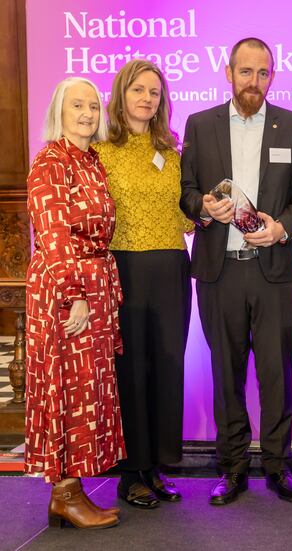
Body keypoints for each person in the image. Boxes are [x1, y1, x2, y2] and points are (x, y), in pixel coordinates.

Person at [180, 37, 292, 505]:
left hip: (273, 270)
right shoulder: (200, 124)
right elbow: (187, 191)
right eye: (246, 72)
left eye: (263, 73)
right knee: (226, 374)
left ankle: (278, 466)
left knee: (276, 374)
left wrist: (280, 228)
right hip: (220, 272)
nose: (254, 81)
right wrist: (204, 207)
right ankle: (232, 468)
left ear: (272, 76)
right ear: (229, 72)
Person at [25, 77, 124, 529]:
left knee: (85, 389)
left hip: (94, 285)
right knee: (67, 389)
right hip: (67, 290)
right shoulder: (50, 161)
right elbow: (53, 236)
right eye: (76, 105)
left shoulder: (91, 160)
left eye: (92, 106)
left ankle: (68, 494)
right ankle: (65, 495)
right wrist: (75, 297)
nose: (86, 113)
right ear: (59, 112)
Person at [94, 60, 191, 509]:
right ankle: (131, 472)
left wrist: (210, 209)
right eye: (138, 89)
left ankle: (156, 467)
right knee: (129, 372)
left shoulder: (173, 153)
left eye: (155, 92)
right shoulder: (100, 151)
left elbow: (187, 218)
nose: (147, 98)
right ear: (120, 94)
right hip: (124, 268)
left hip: (171, 267)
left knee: (167, 368)